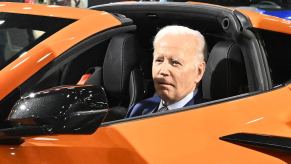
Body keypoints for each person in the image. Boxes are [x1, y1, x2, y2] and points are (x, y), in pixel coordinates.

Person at [126, 25, 207, 118]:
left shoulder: (207, 119)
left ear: (199, 72)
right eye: (159, 60)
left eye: (175, 62)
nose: (163, 71)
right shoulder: (139, 109)